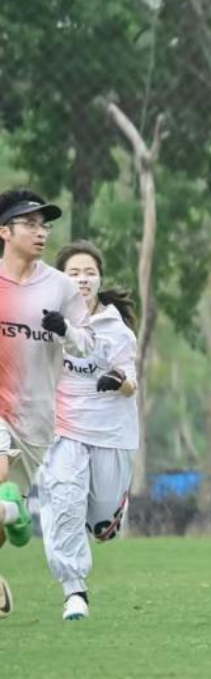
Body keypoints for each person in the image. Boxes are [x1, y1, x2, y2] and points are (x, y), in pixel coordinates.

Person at [40, 241, 140, 621]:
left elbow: (131, 383)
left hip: (112, 431)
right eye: (74, 273)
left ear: (100, 278)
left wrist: (117, 380)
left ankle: (108, 517)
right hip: (63, 428)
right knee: (65, 500)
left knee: (101, 524)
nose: (82, 279)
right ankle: (74, 591)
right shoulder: (46, 319)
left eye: (89, 273)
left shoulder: (115, 329)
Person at [0, 188, 94, 551]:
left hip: (36, 417)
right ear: (4, 231)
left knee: (6, 502)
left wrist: (65, 330)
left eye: (44, 226)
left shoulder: (61, 287)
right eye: (30, 224)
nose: (40, 232)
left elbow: (87, 344)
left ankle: (13, 514)